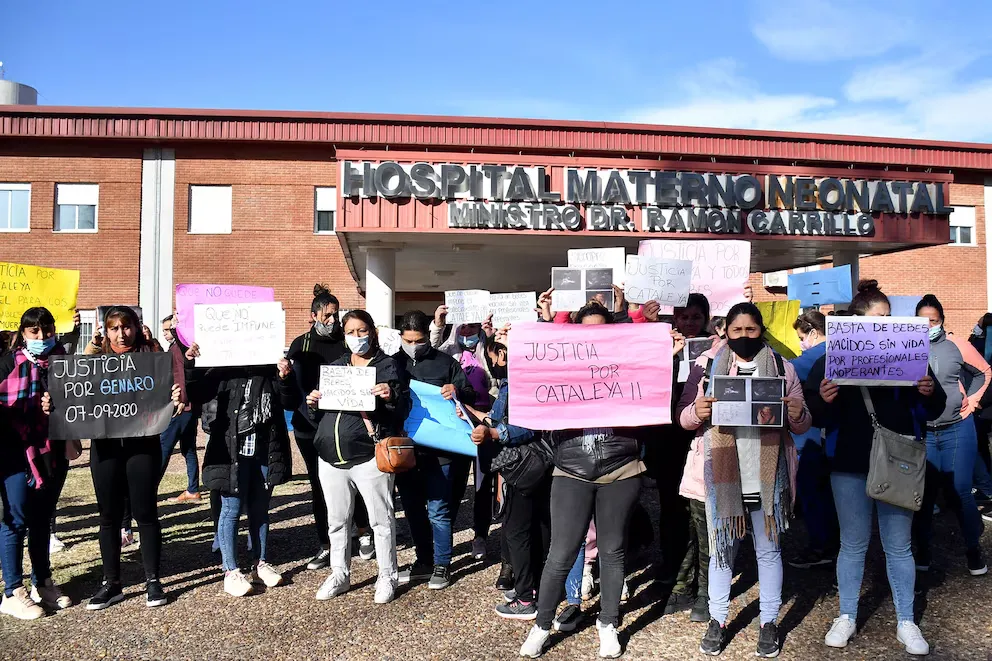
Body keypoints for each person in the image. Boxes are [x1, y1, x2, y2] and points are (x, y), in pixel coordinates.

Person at [805, 280, 944, 656]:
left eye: (888, 317)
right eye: (878, 317)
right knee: (852, 544)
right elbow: (809, 410)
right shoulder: (833, 355)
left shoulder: (911, 353)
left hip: (897, 460)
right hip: (849, 461)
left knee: (899, 546)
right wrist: (824, 399)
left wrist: (930, 391)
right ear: (857, 321)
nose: (886, 324)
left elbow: (934, 408)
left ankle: (906, 620)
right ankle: (846, 615)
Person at [678, 302, 809, 658]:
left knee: (768, 552)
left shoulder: (783, 367)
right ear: (726, 332)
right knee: (722, 552)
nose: (744, 337)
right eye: (737, 330)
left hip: (766, 477)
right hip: (724, 477)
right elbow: (684, 417)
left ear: (761, 331)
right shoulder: (706, 366)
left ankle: (768, 622)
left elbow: (802, 422)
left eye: (751, 330)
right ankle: (718, 619)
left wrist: (798, 413)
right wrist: (696, 411)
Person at [519, 302, 644, 660]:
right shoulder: (563, 365)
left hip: (621, 468)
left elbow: (648, 381)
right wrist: (547, 324)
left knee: (612, 550)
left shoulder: (628, 361)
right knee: (560, 553)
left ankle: (608, 624)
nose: (594, 337)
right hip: (572, 469)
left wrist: (639, 321)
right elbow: (537, 368)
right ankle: (541, 625)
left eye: (601, 330)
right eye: (585, 331)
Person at [68, 306, 184, 609]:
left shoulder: (151, 358)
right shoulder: (96, 359)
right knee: (107, 516)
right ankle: (111, 583)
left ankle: (153, 581)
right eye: (114, 328)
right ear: (106, 332)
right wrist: (92, 345)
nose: (122, 333)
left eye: (127, 326)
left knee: (145, 513)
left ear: (137, 327)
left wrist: (173, 399)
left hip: (142, 446)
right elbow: (72, 381)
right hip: (105, 447)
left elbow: (169, 392)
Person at [307, 310, 407, 604]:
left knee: (381, 520)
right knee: (337, 521)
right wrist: (313, 402)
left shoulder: (387, 365)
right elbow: (321, 412)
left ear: (372, 332)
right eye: (351, 332)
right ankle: (340, 573)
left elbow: (398, 409)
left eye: (362, 331)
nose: (357, 337)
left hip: (367, 457)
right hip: (330, 457)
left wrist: (390, 396)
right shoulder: (336, 366)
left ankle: (387, 575)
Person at [278, 285, 374, 570]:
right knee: (319, 486)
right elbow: (290, 393)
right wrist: (288, 383)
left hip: (345, 425)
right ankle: (326, 543)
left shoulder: (347, 342)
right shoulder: (300, 345)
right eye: (327, 315)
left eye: (336, 314)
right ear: (314, 316)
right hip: (309, 428)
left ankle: (364, 531)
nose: (332, 320)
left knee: (355, 479)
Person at [185, 343, 292, 597]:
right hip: (230, 451)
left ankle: (260, 562)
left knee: (260, 509)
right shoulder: (222, 370)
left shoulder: (270, 369)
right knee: (230, 510)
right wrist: (191, 364)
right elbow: (196, 393)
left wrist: (285, 377)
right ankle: (231, 570)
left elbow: (290, 401)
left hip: (265, 450)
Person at [643, 293, 714, 623]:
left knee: (701, 510)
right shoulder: (661, 345)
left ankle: (702, 572)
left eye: (696, 317)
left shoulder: (717, 350)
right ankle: (671, 565)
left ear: (706, 319)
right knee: (671, 507)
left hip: (701, 438)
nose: (689, 322)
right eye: (683, 316)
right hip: (667, 440)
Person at [0, 308, 74, 619]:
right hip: (14, 451)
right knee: (15, 518)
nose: (41, 338)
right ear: (23, 333)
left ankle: (42, 582)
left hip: (52, 450)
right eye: (34, 332)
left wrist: (56, 406)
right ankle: (12, 591)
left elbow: (79, 402)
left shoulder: (65, 363)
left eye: (46, 331)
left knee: (42, 518)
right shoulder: (6, 361)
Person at [397, 310, 477, 589]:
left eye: (419, 340)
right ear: (401, 338)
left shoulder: (445, 363)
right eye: (408, 340)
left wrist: (456, 390)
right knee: (413, 510)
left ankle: (443, 564)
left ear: (427, 338)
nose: (414, 345)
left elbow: (470, 395)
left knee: (439, 511)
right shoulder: (392, 364)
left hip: (441, 451)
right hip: (405, 451)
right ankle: (423, 560)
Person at [911, 294, 990, 576]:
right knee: (924, 495)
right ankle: (923, 551)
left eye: (932, 321)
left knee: (960, 493)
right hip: (925, 432)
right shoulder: (905, 347)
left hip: (958, 428)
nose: (927, 325)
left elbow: (985, 372)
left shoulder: (957, 345)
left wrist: (974, 401)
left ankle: (972, 549)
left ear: (941, 321)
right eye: (921, 321)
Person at [431, 306, 495, 560]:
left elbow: (499, 368)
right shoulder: (449, 351)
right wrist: (438, 324)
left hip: (485, 422)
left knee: (482, 485)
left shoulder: (485, 349)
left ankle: (480, 537)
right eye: (463, 327)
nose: (467, 331)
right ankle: (448, 536)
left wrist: (490, 337)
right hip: (456, 425)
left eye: (473, 326)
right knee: (454, 485)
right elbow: (431, 351)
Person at [787, 310, 839, 570]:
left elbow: (784, 372)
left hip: (812, 439)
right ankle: (832, 543)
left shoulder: (810, 358)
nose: (800, 343)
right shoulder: (844, 351)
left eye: (801, 337)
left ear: (814, 333)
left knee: (811, 492)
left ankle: (820, 545)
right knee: (830, 494)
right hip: (838, 438)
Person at [157, 314, 202, 504]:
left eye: (168, 330)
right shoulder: (175, 347)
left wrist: (181, 398)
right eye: (165, 330)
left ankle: (149, 489)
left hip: (180, 407)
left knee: (162, 450)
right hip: (189, 407)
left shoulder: (178, 347)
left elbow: (180, 375)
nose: (166, 334)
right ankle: (193, 489)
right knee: (189, 449)